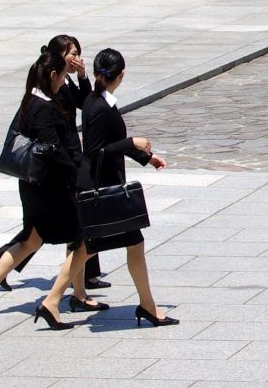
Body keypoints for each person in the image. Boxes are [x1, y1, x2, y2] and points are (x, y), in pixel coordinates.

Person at [0, 46, 94, 328]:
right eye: (63, 75)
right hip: (49, 187)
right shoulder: (43, 108)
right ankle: (54, 302)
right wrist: (78, 177)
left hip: (33, 184)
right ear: (53, 74)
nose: (64, 80)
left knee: (32, 238)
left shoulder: (31, 99)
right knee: (81, 237)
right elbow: (54, 149)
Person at [80, 49, 178, 327]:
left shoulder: (97, 100)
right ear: (120, 75)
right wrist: (131, 143)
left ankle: (148, 305)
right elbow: (97, 151)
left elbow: (112, 141)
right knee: (90, 250)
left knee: (93, 249)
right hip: (105, 190)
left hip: (107, 188)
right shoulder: (99, 106)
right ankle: (148, 306)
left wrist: (146, 157)